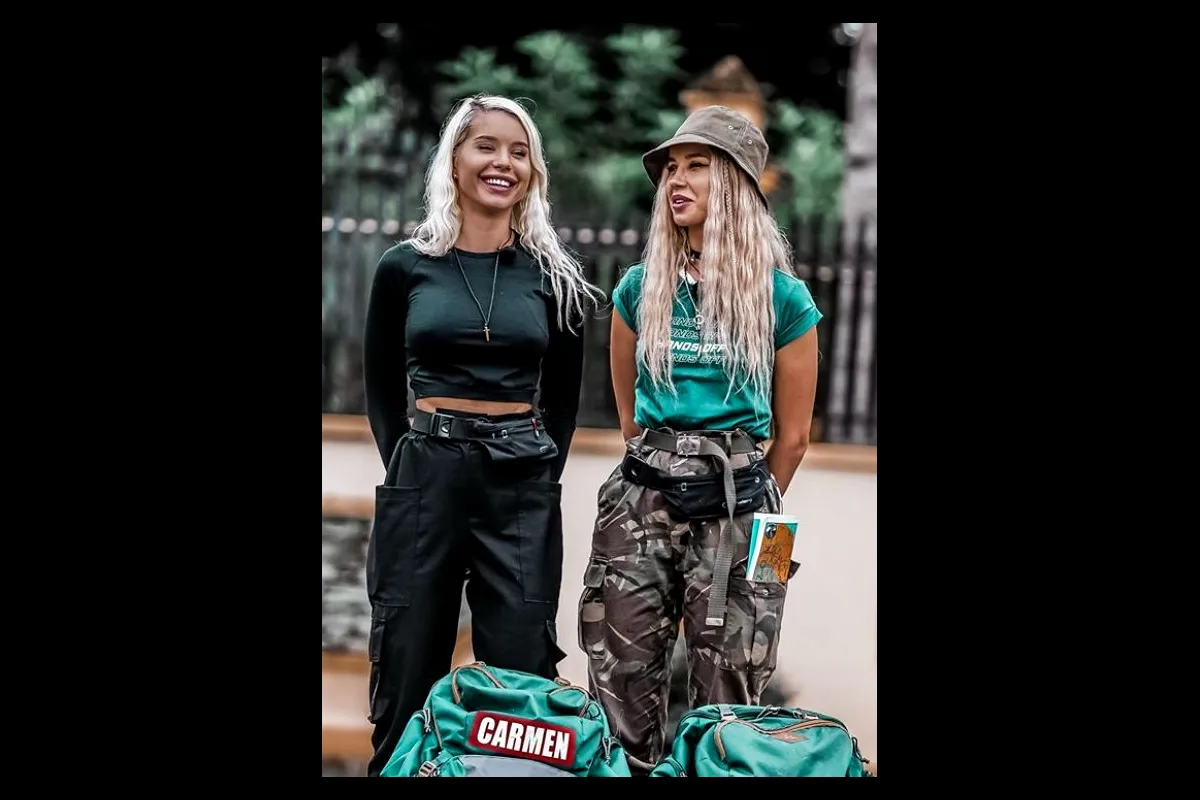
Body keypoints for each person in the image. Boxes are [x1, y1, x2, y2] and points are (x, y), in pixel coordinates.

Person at [576, 105, 822, 775]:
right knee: (618, 677)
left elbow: (794, 438)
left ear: (736, 185)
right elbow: (631, 418)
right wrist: (669, 471)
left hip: (746, 506)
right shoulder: (639, 290)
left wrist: (745, 499)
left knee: (735, 690)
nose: (675, 181)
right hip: (640, 503)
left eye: (696, 166)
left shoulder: (785, 300)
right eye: (670, 169)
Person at [362, 94, 603, 777]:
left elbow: (562, 401)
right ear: (455, 160)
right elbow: (381, 389)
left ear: (533, 172)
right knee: (407, 656)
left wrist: (538, 478)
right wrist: (412, 464)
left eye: (519, 152)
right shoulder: (404, 266)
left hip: (519, 482)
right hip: (426, 475)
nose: (503, 163)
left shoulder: (553, 276)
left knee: (522, 668)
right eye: (487, 146)